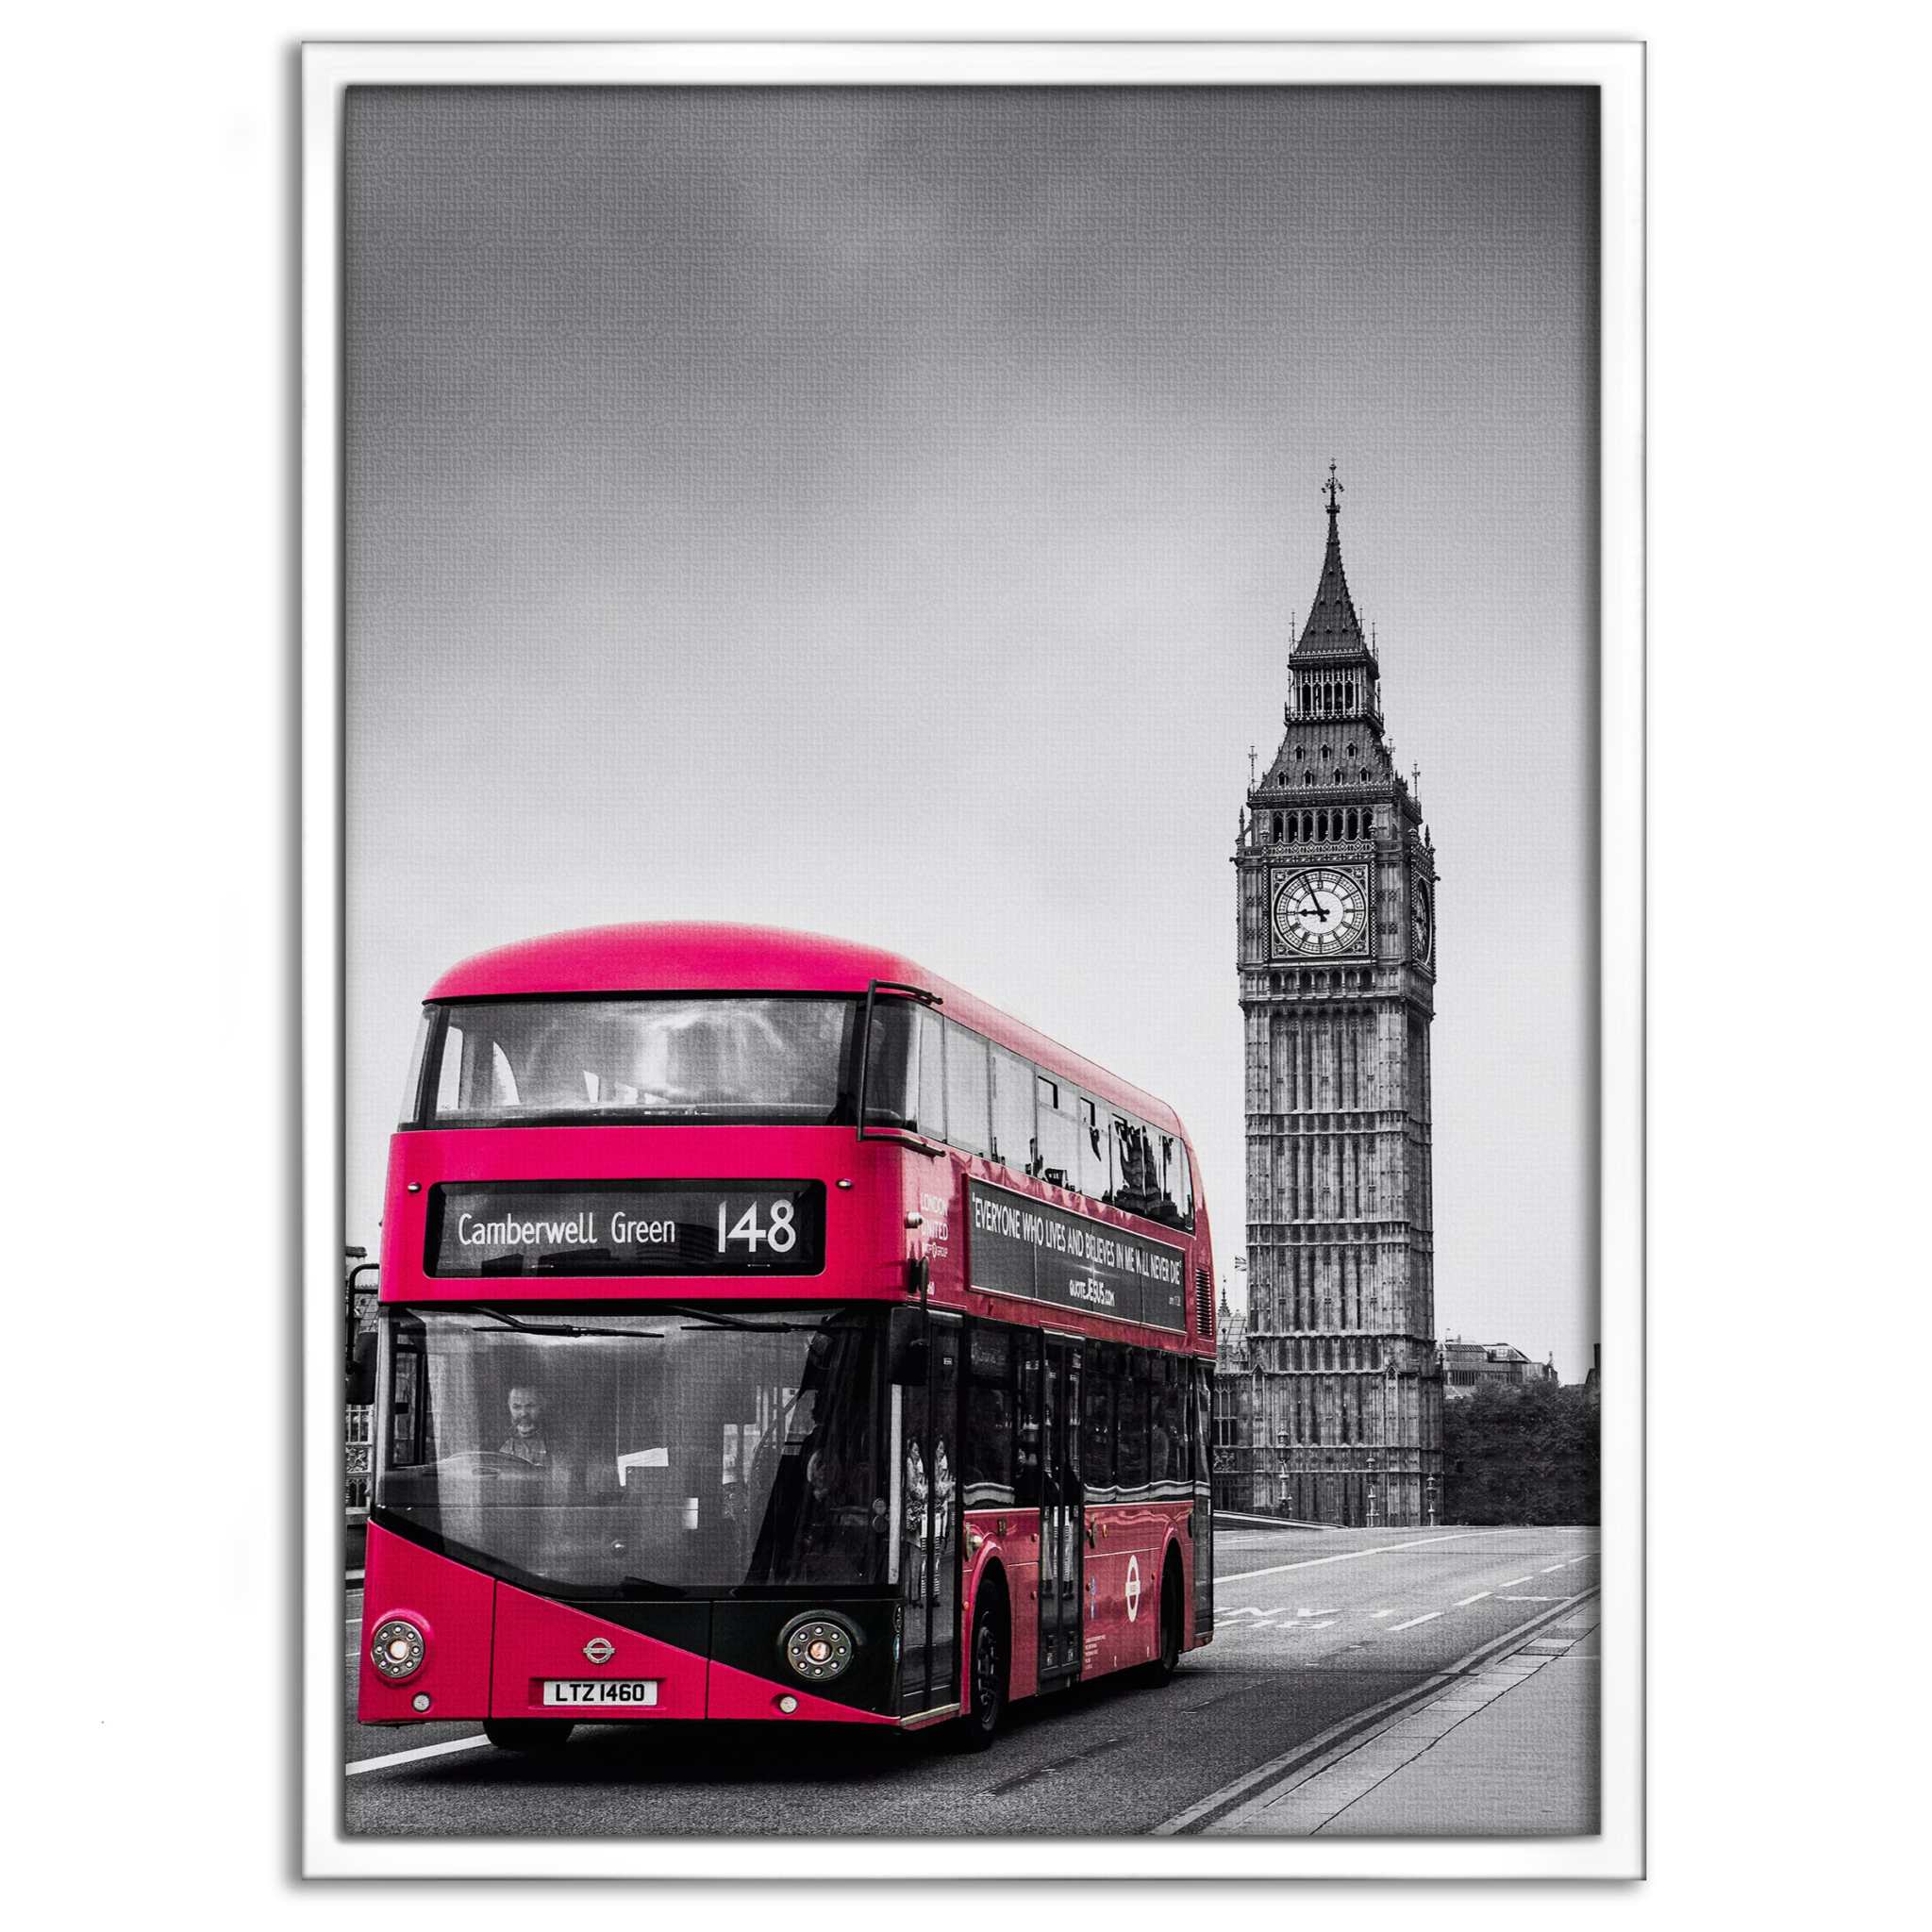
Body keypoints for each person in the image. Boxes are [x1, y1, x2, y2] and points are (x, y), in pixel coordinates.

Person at [499, 1384, 553, 1466]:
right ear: (509, 1407)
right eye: (516, 1407)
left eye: (530, 1406)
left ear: (542, 1406)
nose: (523, 1413)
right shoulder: (504, 1449)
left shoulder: (560, 1446)